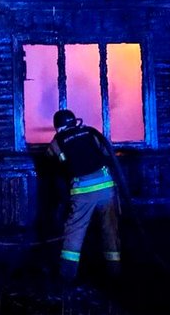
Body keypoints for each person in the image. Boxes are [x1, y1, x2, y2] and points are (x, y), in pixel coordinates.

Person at [47, 109, 121, 283]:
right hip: (107, 188)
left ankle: (66, 276)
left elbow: (51, 161)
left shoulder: (57, 142)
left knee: (75, 232)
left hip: (83, 192)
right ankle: (115, 274)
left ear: (58, 126)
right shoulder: (90, 132)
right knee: (110, 229)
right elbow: (106, 152)